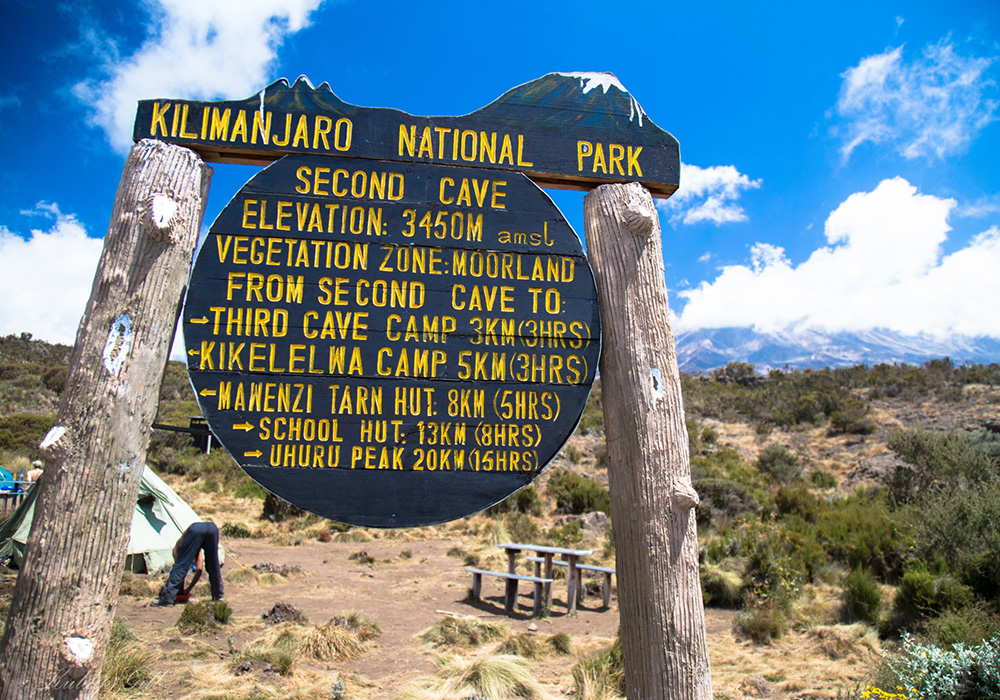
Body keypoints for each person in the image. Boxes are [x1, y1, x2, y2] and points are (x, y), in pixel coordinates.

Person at [156, 521, 223, 605]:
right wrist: (185, 588)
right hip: (212, 528)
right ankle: (218, 595)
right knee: (213, 565)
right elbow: (198, 570)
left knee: (180, 567)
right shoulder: (188, 545)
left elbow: (189, 569)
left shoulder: (182, 547)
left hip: (196, 530)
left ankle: (167, 598)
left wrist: (188, 589)